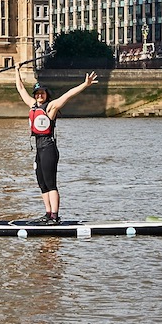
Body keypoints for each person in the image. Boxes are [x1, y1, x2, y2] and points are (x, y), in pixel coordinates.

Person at [13, 61, 98, 224]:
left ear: (46, 95)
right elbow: (20, 89)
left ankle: (54, 216)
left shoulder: (51, 107)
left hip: (49, 147)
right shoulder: (32, 105)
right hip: (38, 148)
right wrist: (17, 70)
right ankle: (47, 213)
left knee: (51, 183)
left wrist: (85, 85)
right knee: (42, 182)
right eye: (37, 93)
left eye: (42, 93)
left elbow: (68, 95)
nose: (39, 96)